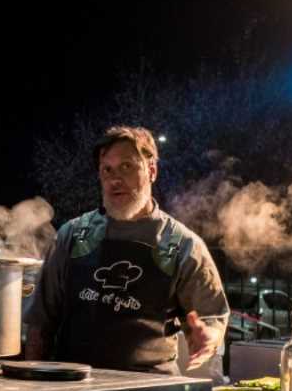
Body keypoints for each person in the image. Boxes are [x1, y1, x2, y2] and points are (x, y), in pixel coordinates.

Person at [24, 126, 228, 375]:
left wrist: (209, 337)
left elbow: (211, 318)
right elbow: (40, 324)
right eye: (106, 170)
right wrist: (31, 384)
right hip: (73, 388)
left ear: (152, 170)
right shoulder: (74, 235)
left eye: (126, 167)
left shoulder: (182, 244)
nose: (114, 180)